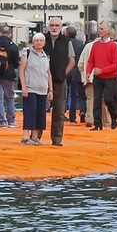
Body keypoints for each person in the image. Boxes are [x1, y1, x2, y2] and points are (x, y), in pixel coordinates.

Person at [86, 21, 117, 131]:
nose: (99, 31)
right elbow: (91, 60)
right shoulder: (95, 45)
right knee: (96, 100)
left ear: (108, 31)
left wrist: (101, 70)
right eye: (99, 29)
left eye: (102, 29)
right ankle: (97, 124)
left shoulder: (113, 46)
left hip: (110, 77)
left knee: (108, 98)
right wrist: (88, 72)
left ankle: (114, 116)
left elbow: (115, 65)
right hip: (98, 76)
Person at [44, 17, 75, 146]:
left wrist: (63, 74)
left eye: (57, 25)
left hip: (59, 81)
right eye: (52, 25)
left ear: (61, 27)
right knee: (40, 110)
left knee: (59, 111)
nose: (54, 28)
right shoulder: (42, 39)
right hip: (42, 81)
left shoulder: (67, 41)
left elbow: (72, 61)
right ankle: (36, 136)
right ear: (48, 26)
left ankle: (57, 138)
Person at [19, 32, 52, 145]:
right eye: (36, 40)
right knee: (30, 112)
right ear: (33, 42)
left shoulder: (45, 56)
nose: (39, 42)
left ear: (44, 43)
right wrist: (23, 86)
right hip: (30, 88)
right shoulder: (27, 53)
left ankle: (35, 136)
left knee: (40, 113)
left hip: (42, 89)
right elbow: (21, 71)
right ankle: (25, 136)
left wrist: (50, 89)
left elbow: (48, 73)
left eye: (41, 40)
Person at [0, 24, 20, 129]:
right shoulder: (13, 47)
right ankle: (11, 120)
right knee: (9, 98)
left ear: (0, 32)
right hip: (8, 75)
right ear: (10, 34)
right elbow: (16, 63)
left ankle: (2, 121)